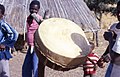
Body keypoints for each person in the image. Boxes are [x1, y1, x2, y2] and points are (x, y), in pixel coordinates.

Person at [97, 1, 120, 77]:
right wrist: (104, 57)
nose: (119, 14)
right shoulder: (114, 26)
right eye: (118, 11)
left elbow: (116, 59)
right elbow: (114, 46)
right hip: (112, 67)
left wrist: (110, 38)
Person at [22, 0, 43, 77]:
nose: (33, 11)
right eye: (31, 9)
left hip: (36, 47)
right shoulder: (29, 18)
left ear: (38, 10)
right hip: (30, 46)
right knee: (26, 67)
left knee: (36, 67)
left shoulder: (39, 19)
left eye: (35, 9)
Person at [0, 4, 18, 77]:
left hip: (1, 53)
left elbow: (14, 34)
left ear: (2, 15)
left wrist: (5, 43)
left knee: (3, 73)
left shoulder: (3, 24)